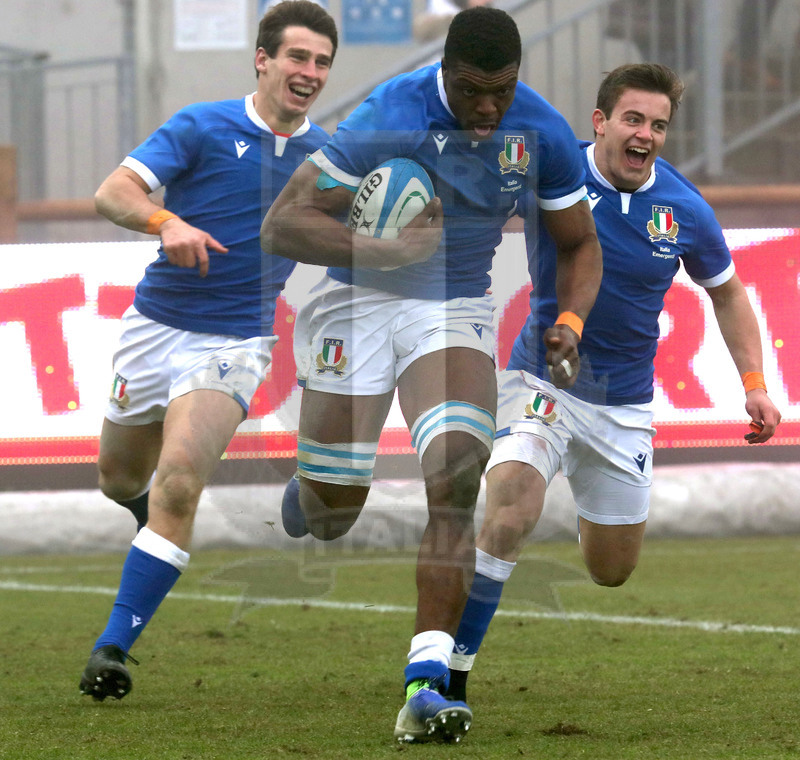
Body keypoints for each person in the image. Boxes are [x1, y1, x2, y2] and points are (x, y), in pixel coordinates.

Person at [260, 5, 603, 743]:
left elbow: (578, 244)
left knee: (456, 471)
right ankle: (312, 495)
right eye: (473, 90)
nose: (488, 109)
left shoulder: (538, 130)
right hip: (358, 300)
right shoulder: (390, 113)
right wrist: (380, 251)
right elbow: (283, 223)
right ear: (443, 71)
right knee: (331, 514)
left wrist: (569, 322)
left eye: (502, 91)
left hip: (453, 307)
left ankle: (426, 683)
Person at [446, 62, 783, 703]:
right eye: (633, 119)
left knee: (612, 571)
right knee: (513, 503)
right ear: (600, 123)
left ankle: (584, 499)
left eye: (658, 125)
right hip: (539, 375)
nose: (646, 135)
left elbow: (730, 293)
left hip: (622, 405)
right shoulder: (554, 171)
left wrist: (755, 381)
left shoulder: (683, 208)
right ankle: (448, 675)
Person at [78, 0, 340, 702]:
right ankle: (153, 525)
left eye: (320, 61)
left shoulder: (331, 157)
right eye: (296, 57)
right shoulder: (201, 124)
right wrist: (166, 222)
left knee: (181, 482)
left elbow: (365, 233)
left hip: (237, 341)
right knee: (116, 476)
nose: (309, 72)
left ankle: (113, 648)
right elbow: (113, 192)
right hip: (155, 326)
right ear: (263, 60)